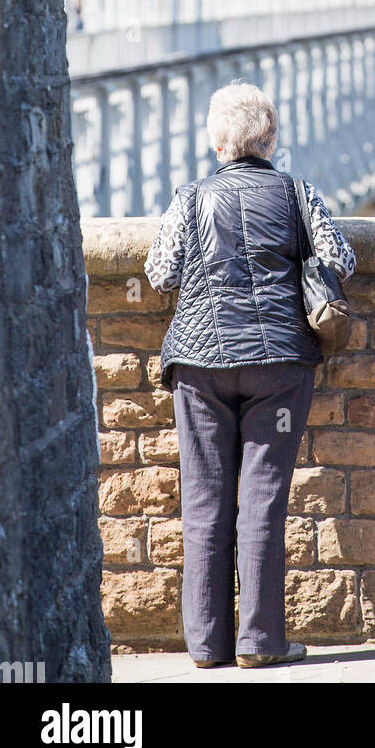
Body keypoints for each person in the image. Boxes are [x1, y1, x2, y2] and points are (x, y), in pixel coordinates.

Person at [145, 80, 355, 669]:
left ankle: (206, 643)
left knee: (205, 498)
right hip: (280, 365)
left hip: (200, 363)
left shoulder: (190, 199)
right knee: (263, 500)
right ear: (271, 138)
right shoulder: (295, 193)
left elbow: (161, 274)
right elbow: (341, 259)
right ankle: (261, 642)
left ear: (216, 143)